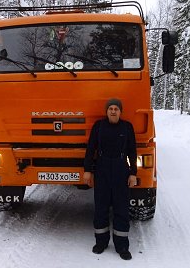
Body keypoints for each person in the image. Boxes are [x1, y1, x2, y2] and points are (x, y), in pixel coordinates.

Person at [83, 98, 137, 260]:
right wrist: (87, 170)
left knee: (121, 208)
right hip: (102, 169)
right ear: (106, 111)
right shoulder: (99, 127)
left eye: (116, 109)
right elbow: (90, 148)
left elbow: (132, 151)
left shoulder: (127, 127)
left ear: (120, 112)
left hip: (121, 169)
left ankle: (122, 246)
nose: (113, 111)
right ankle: (101, 242)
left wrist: (133, 173)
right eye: (110, 108)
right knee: (101, 207)